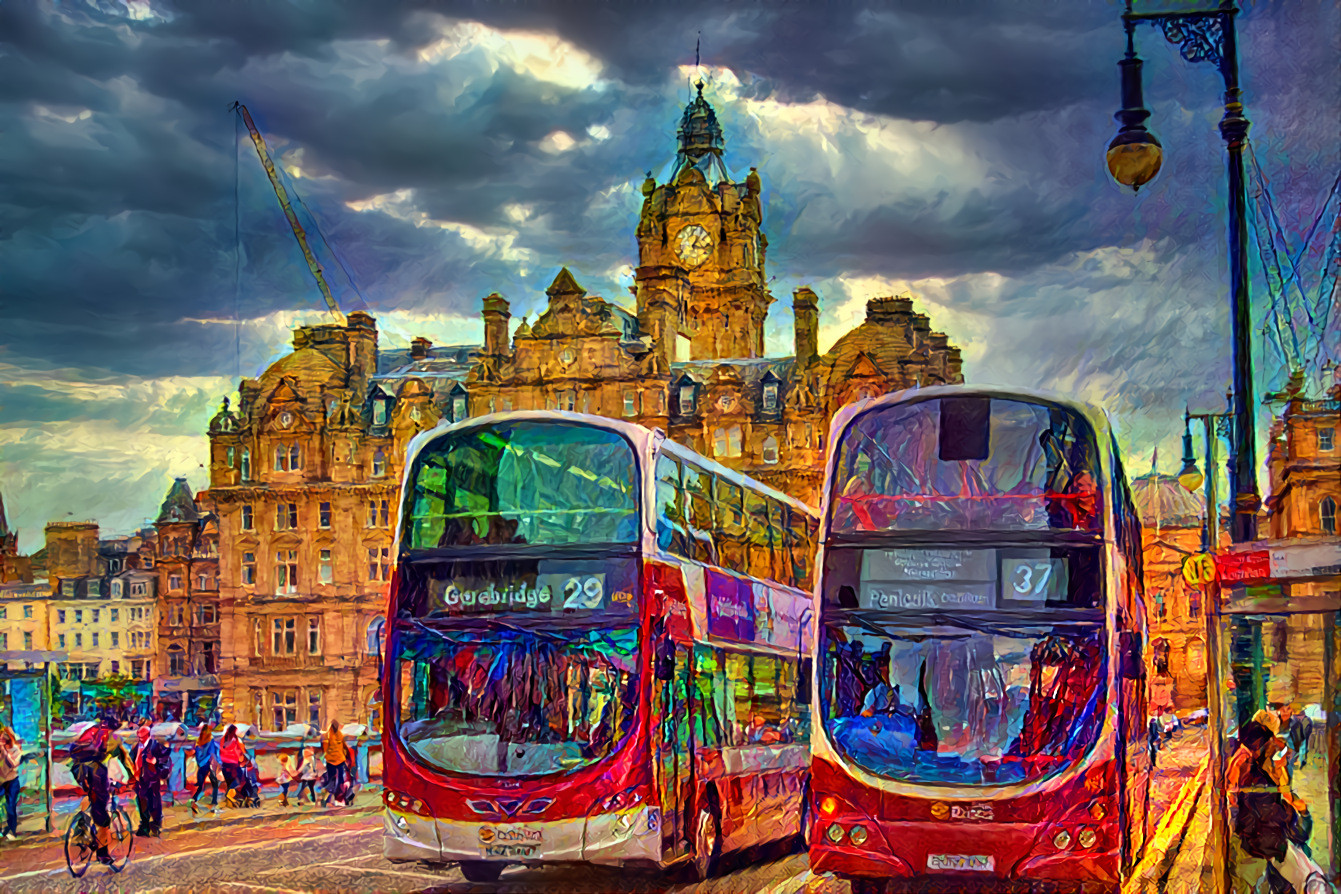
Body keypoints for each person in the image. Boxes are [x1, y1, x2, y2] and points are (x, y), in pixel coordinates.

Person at [69, 713, 137, 866]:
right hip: (96, 773)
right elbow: (125, 759)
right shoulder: (114, 738)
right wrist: (132, 777)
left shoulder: (92, 730)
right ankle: (102, 854)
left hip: (79, 770)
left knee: (90, 800)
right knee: (104, 820)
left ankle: (82, 827)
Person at [130, 725, 169, 837]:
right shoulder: (137, 747)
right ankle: (145, 826)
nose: (140, 739)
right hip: (140, 780)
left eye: (142, 736)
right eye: (139, 737)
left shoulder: (156, 746)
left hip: (152, 780)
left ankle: (156, 826)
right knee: (142, 804)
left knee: (154, 803)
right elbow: (132, 759)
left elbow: (165, 761)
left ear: (147, 735)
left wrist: (155, 761)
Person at [188, 726, 219, 815]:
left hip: (201, 767)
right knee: (215, 784)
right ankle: (214, 803)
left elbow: (198, 758)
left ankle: (193, 800)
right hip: (208, 766)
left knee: (201, 787)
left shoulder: (198, 742)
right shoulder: (210, 741)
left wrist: (201, 764)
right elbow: (212, 754)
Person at [1, 726, 22, 841]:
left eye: (4, 738)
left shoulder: (15, 749)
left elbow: (13, 764)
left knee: (10, 806)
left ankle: (11, 830)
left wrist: (5, 753)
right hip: (2, 780)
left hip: (12, 780)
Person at [322, 720, 348, 807]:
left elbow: (325, 750)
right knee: (340, 780)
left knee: (331, 780)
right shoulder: (340, 734)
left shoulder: (327, 736)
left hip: (331, 761)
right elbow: (344, 746)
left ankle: (328, 798)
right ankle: (338, 799)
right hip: (340, 760)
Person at [219, 724, 246, 808]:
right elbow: (238, 752)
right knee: (238, 780)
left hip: (224, 765)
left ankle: (230, 802)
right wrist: (242, 758)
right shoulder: (234, 740)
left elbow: (220, 751)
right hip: (233, 765)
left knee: (229, 783)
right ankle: (229, 796)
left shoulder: (223, 739)